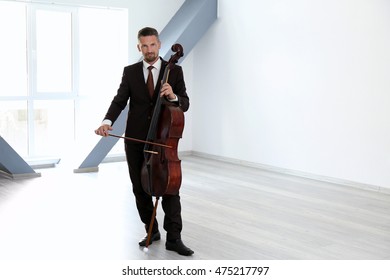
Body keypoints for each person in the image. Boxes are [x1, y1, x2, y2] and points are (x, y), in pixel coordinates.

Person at [95, 27, 193, 256]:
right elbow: (119, 100)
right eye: (144, 46)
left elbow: (185, 103)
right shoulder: (130, 72)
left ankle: (174, 238)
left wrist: (173, 96)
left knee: (170, 189)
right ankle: (152, 230)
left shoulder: (175, 72)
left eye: (152, 45)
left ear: (159, 45)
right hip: (136, 139)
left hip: (163, 138)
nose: (149, 50)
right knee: (140, 188)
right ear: (139, 47)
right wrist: (107, 121)